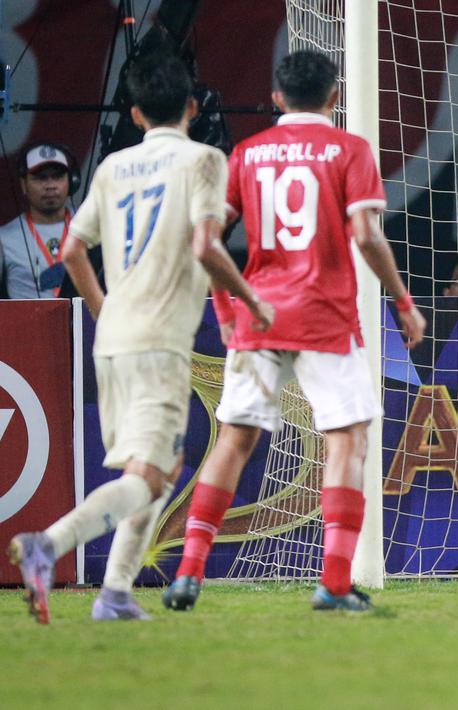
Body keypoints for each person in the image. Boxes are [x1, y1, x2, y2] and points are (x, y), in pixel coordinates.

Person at [7, 54, 272, 624]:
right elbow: (206, 246)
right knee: (151, 475)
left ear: (132, 112)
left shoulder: (113, 167)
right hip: (158, 338)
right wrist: (252, 301)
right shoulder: (204, 159)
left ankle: (116, 593)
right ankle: (46, 546)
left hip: (115, 334)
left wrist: (104, 311)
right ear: (193, 107)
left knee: (157, 469)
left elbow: (75, 252)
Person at [161, 50, 427, 613]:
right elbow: (366, 234)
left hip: (260, 313)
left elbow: (205, 244)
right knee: (346, 439)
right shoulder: (349, 149)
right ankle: (333, 581)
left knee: (234, 438)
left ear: (277, 99)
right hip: (325, 316)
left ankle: (188, 573)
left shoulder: (248, 153)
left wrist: (228, 309)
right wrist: (402, 299)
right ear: (335, 96)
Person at [0, 143, 79, 298]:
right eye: (40, 178)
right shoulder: (4, 238)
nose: (50, 185)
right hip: (26, 321)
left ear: (72, 181)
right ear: (24, 184)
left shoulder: (94, 227)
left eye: (57, 176)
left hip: (84, 321)